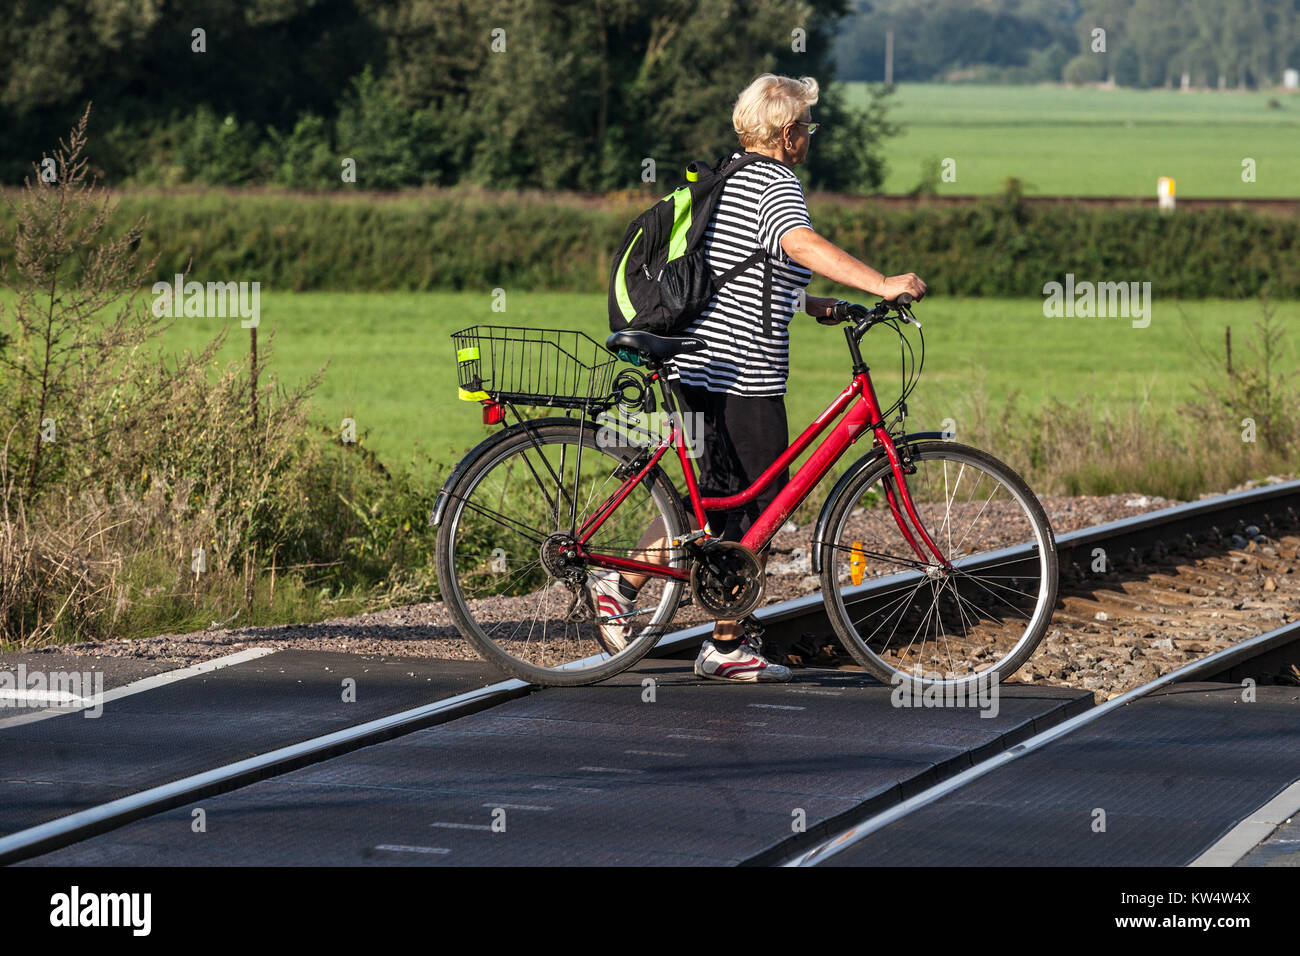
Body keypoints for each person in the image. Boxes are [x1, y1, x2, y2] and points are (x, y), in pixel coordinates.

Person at [589, 73, 926, 682]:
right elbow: (797, 244)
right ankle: (721, 642)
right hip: (737, 372)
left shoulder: (730, 179)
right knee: (758, 505)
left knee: (718, 502)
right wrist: (880, 283)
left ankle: (626, 584)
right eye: (806, 128)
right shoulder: (775, 182)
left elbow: (744, 271)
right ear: (786, 134)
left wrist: (811, 304)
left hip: (704, 363)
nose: (809, 138)